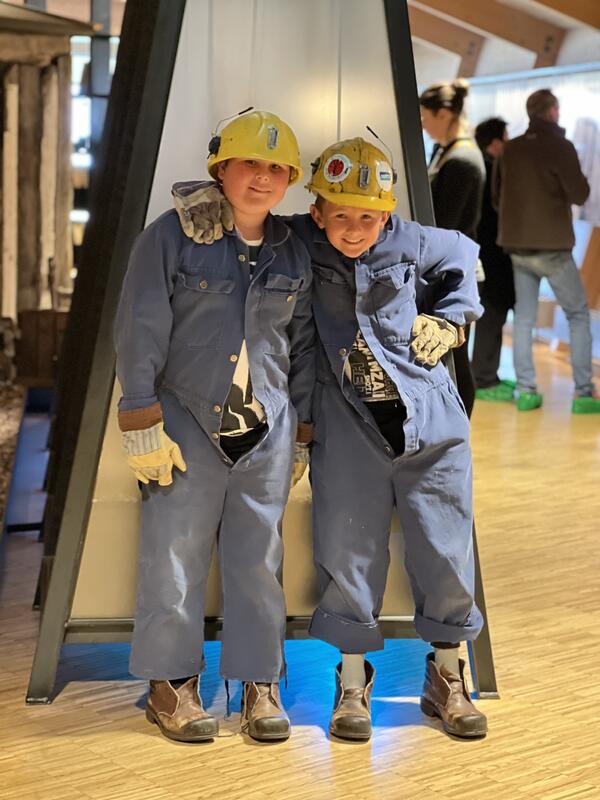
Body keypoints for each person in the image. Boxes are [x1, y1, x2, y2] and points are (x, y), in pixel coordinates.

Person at [172, 136, 488, 741]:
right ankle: (351, 681)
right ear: (316, 210)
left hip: (432, 427)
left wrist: (450, 319)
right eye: (339, 213)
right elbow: (250, 217)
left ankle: (447, 675)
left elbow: (466, 255)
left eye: (368, 216)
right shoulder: (298, 241)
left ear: (388, 213)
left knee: (446, 551)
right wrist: (206, 201)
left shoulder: (415, 240)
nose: (353, 227)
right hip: (347, 428)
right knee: (348, 552)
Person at [114, 110, 315, 744]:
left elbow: (303, 345)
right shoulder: (169, 238)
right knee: (173, 556)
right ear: (220, 169)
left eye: (276, 169)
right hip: (185, 424)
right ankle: (170, 686)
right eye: (250, 164)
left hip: (267, 431)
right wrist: (141, 417)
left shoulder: (294, 247)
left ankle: (259, 683)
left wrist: (301, 430)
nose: (262, 179)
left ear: (289, 180)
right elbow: (140, 325)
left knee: (259, 560)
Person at [495, 88, 600, 413]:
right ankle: (584, 392)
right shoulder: (560, 146)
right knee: (577, 314)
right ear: (553, 111)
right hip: (553, 247)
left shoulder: (509, 149)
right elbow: (580, 193)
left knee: (524, 319)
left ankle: (526, 391)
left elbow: (497, 197)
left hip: (516, 245)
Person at [419, 79, 486, 418]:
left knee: (456, 356)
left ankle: (460, 431)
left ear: (443, 114)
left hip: (457, 272)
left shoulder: (463, 160)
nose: (423, 125)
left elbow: (446, 223)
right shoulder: (445, 151)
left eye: (426, 118)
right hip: (449, 267)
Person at [471, 117, 516, 401]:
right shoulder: (490, 171)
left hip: (486, 254)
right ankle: (484, 379)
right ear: (496, 142)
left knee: (493, 314)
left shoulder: (482, 168)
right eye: (507, 137)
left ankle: (489, 374)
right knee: (493, 313)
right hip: (492, 255)